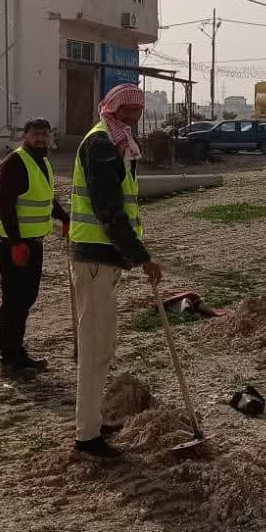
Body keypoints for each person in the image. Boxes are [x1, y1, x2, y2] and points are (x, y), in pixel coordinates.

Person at [70, 83, 162, 458]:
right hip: (95, 259)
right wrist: (142, 257)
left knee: (101, 347)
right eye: (127, 111)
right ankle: (86, 437)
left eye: (137, 112)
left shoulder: (117, 144)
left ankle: (91, 422)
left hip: (104, 260)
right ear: (112, 109)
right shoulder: (101, 145)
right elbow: (109, 211)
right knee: (94, 349)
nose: (133, 117)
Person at [0, 118, 69, 377]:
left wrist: (64, 218)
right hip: (13, 245)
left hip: (34, 244)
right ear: (24, 135)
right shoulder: (14, 163)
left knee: (26, 300)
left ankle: (18, 353)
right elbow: (4, 206)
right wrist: (15, 242)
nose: (41, 139)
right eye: (36, 134)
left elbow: (47, 198)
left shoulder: (43, 162)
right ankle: (8, 360)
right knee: (13, 302)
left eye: (45, 135)